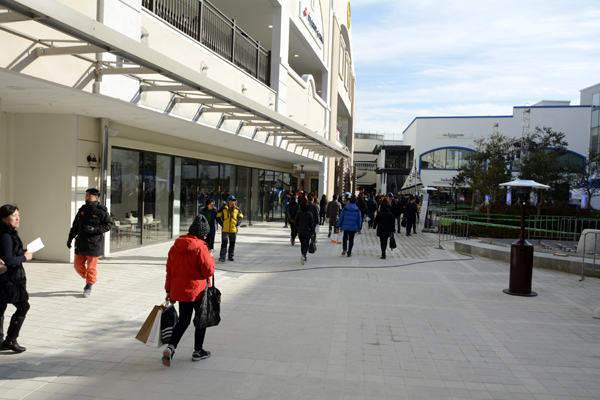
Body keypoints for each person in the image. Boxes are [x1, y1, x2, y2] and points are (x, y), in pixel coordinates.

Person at [162, 215, 215, 367]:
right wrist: (211, 258)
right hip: (197, 291)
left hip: (180, 291)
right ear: (203, 234)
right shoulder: (201, 247)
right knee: (200, 320)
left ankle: (170, 348)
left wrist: (168, 289)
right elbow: (208, 271)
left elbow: (169, 270)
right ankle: (198, 351)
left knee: (183, 320)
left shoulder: (175, 246)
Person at [67, 188, 112, 297]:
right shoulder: (82, 210)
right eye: (86, 196)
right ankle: (90, 278)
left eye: (89, 196)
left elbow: (108, 225)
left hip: (94, 244)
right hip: (81, 243)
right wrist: (70, 238)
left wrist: (94, 230)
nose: (87, 198)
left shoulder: (101, 211)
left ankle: (89, 285)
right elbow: (75, 226)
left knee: (91, 268)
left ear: (96, 198)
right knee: (77, 266)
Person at [0, 205, 33, 353]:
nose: (17, 218)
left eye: (18, 215)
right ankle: (11, 340)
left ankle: (2, 341)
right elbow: (8, 260)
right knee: (23, 306)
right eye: (14, 216)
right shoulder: (6, 235)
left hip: (5, 279)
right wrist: (25, 257)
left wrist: (21, 252)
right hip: (10, 280)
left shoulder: (6, 232)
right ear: (4, 218)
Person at [216, 196, 244, 262]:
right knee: (224, 243)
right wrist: (222, 224)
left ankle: (231, 256)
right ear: (229, 201)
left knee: (232, 244)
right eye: (233, 200)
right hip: (225, 230)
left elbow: (241, 217)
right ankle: (222, 256)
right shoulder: (223, 209)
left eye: (235, 200)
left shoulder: (237, 209)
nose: (234, 202)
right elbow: (218, 217)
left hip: (233, 230)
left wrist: (238, 223)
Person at [294, 201, 315, 265]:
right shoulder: (310, 213)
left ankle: (303, 254)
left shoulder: (298, 213)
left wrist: (298, 228)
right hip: (307, 231)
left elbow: (295, 222)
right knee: (306, 244)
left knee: (302, 244)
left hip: (300, 231)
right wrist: (312, 232)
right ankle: (304, 255)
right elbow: (312, 223)